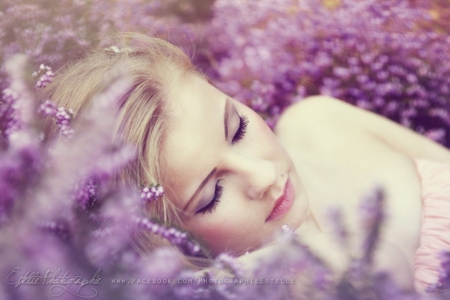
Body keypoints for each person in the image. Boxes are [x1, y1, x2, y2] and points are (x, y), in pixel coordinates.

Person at [39, 32, 450, 295]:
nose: (265, 176)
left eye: (236, 128)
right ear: (169, 243)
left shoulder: (320, 121)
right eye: (212, 194)